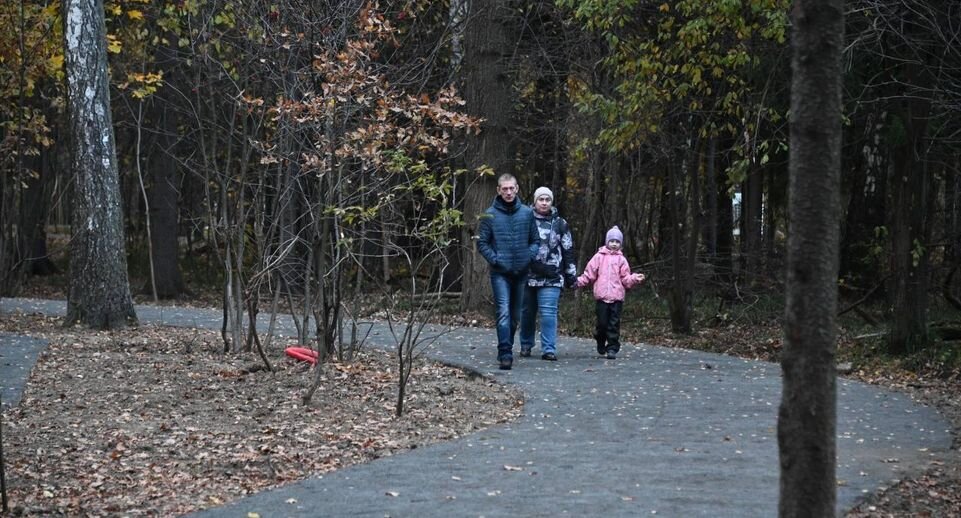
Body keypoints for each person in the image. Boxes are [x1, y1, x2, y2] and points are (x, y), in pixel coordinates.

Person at [477, 174, 540, 370]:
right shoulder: (489, 215)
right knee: (503, 312)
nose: (508, 192)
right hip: (500, 273)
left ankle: (507, 346)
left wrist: (528, 256)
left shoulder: (527, 213)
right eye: (504, 189)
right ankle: (505, 353)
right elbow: (482, 243)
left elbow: (535, 241)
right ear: (498, 190)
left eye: (511, 188)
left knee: (514, 316)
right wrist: (496, 260)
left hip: (521, 272)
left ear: (517, 188)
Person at [519, 186, 576, 361]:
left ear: (551, 202)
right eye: (541, 199)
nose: (544, 203)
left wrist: (571, 275)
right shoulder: (524, 220)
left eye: (547, 200)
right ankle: (526, 344)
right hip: (528, 275)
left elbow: (568, 249)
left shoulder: (560, 223)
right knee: (527, 312)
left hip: (552, 276)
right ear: (535, 201)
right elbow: (518, 245)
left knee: (548, 313)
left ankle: (548, 349)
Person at [575, 225, 645, 360]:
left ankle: (612, 348)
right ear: (607, 242)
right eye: (612, 241)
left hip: (616, 298)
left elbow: (625, 278)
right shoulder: (598, 257)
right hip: (601, 297)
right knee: (602, 324)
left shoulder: (621, 260)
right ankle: (600, 340)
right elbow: (589, 274)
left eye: (617, 242)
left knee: (613, 324)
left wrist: (635, 278)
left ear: (620, 244)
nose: (614, 244)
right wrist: (578, 282)